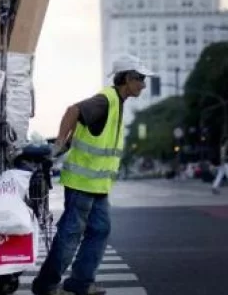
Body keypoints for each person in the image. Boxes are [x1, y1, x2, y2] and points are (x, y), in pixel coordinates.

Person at [31, 55, 153, 295]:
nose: (143, 85)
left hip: (97, 185)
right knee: (71, 234)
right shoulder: (106, 100)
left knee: (99, 230)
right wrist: (58, 145)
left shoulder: (116, 102)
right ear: (127, 78)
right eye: (140, 79)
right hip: (82, 183)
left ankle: (80, 283)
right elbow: (73, 111)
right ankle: (46, 284)